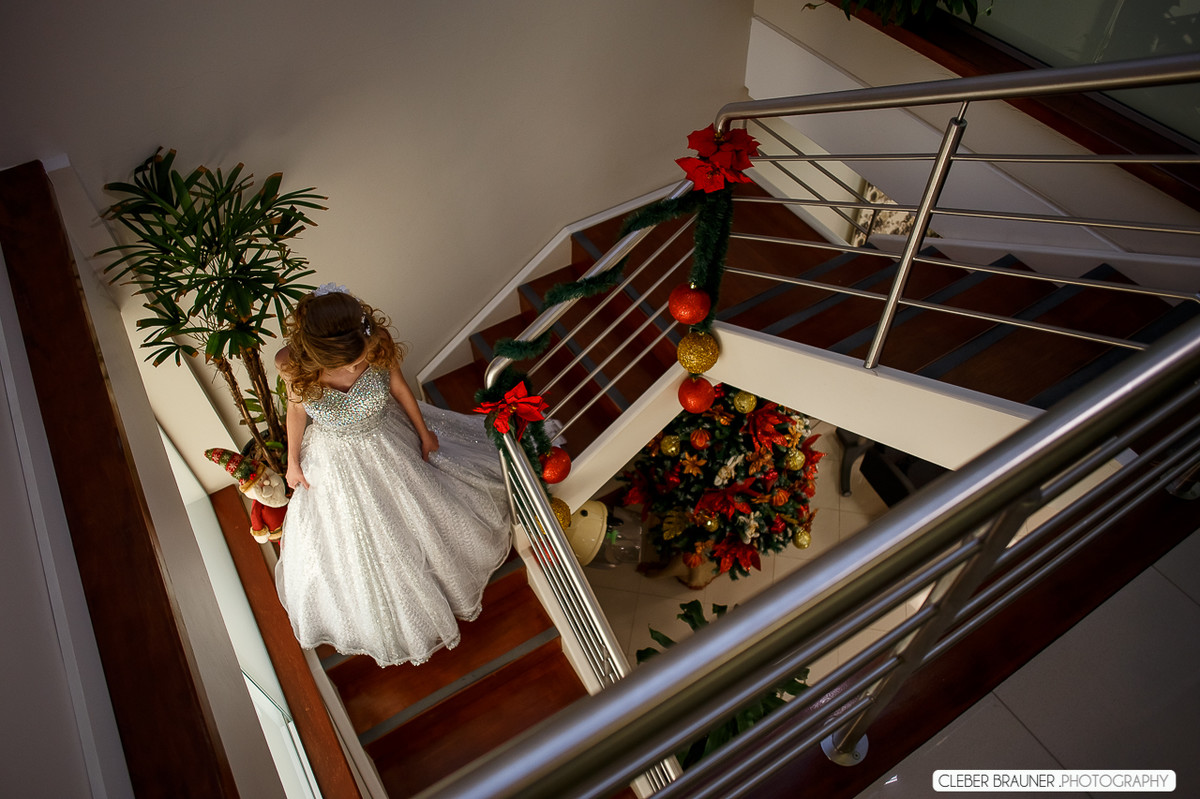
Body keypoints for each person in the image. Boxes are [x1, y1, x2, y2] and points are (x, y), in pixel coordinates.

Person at [274, 284, 511, 667]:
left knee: (425, 508)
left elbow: (400, 388)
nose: (355, 369)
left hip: (388, 436)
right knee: (362, 537)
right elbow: (297, 411)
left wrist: (425, 433)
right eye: (346, 366)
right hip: (335, 458)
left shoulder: (376, 343)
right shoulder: (290, 364)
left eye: (359, 361)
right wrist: (292, 461)